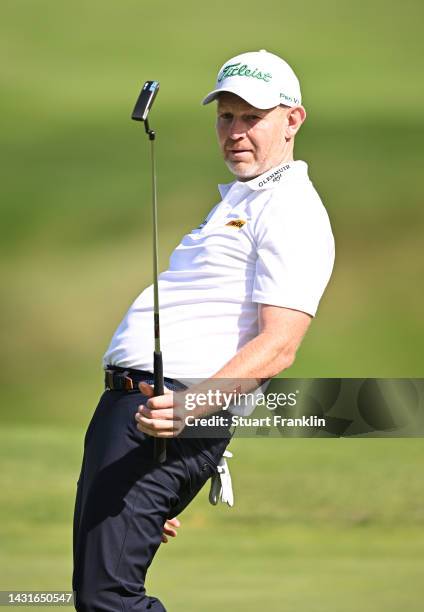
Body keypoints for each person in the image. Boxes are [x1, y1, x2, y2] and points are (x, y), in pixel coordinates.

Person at [72, 49, 335, 611]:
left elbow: (279, 344)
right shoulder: (244, 200)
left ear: (293, 120)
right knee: (101, 593)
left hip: (169, 418)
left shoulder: (291, 208)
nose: (236, 132)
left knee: (107, 599)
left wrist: (192, 407)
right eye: (226, 117)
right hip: (144, 417)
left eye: (252, 118)